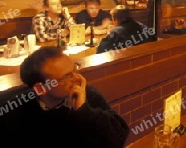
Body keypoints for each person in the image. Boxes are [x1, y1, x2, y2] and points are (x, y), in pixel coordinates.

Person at [0, 46, 129, 148]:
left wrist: (84, 111)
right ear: (41, 89)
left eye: (75, 69)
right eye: (67, 76)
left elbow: (119, 139)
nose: (78, 78)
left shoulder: (87, 95)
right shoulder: (15, 111)